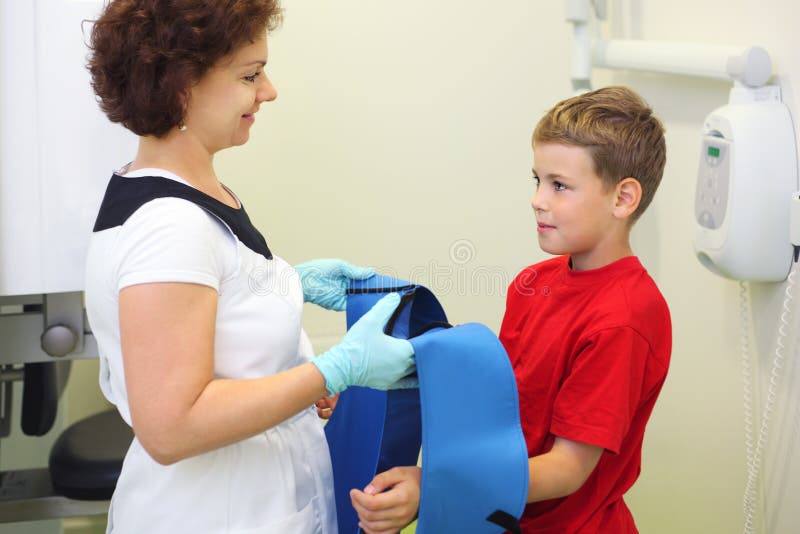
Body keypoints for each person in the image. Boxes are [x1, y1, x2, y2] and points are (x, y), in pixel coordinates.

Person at [84, 1, 414, 533]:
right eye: (250, 75)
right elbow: (171, 428)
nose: (268, 91)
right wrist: (329, 371)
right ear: (180, 85)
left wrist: (278, 288)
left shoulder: (186, 192)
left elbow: (208, 312)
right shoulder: (170, 227)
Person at [351, 86, 672, 533]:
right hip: (502, 519)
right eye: (537, 180)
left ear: (622, 199)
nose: (538, 199)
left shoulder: (624, 318)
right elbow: (500, 404)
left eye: (560, 185)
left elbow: (567, 468)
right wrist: (370, 376)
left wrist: (437, 486)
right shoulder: (532, 283)